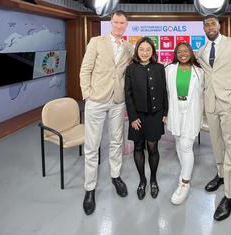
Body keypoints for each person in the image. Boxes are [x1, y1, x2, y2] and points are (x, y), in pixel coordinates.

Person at [197, 15, 231, 221]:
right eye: (206, 24)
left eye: (213, 23)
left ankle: (230, 196)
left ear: (219, 26)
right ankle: (221, 175)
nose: (210, 27)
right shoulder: (201, 51)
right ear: (203, 28)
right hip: (210, 105)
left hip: (229, 104)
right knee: (216, 144)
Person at [80, 10, 133, 215]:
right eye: (116, 22)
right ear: (111, 22)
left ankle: (115, 176)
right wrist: (87, 95)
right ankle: (90, 188)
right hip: (96, 99)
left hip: (117, 101)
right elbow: (85, 69)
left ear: (126, 25)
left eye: (123, 23)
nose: (119, 25)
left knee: (116, 141)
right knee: (92, 145)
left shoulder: (128, 47)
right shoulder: (96, 42)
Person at [124, 37, 168, 200]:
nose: (144, 52)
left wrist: (165, 112)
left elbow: (164, 91)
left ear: (152, 52)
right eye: (141, 49)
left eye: (148, 49)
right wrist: (133, 117)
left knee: (153, 148)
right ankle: (142, 181)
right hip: (137, 116)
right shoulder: (131, 69)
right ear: (137, 51)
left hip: (155, 115)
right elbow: (127, 95)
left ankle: (153, 179)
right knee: (137, 147)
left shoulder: (159, 68)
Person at [165, 42, 204, 205]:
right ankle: (184, 169)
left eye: (186, 51)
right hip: (175, 110)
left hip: (192, 111)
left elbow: (204, 94)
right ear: (176, 53)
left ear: (191, 53)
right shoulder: (169, 69)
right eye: (179, 51)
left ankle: (184, 183)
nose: (183, 54)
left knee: (186, 145)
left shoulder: (200, 72)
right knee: (178, 140)